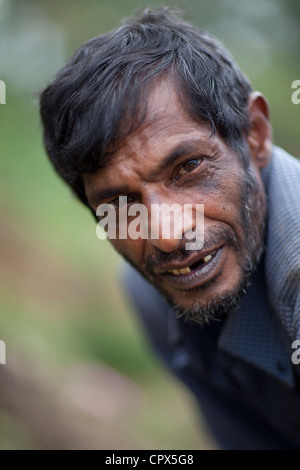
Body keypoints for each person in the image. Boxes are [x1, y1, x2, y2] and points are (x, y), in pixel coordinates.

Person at [39, 8, 300, 449]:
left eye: (189, 167)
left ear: (254, 133)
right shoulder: (153, 298)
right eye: (120, 203)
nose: (166, 235)